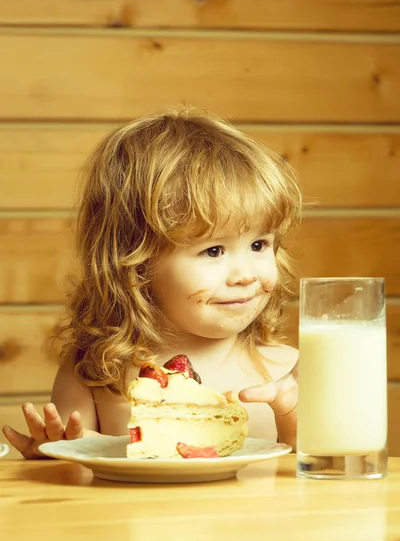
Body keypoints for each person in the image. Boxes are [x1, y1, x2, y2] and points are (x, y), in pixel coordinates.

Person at [2, 107, 301, 459]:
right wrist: (52, 458)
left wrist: (292, 417)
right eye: (214, 250)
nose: (247, 274)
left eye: (258, 245)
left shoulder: (290, 370)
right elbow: (81, 481)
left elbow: (319, 483)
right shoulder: (95, 372)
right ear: (136, 262)